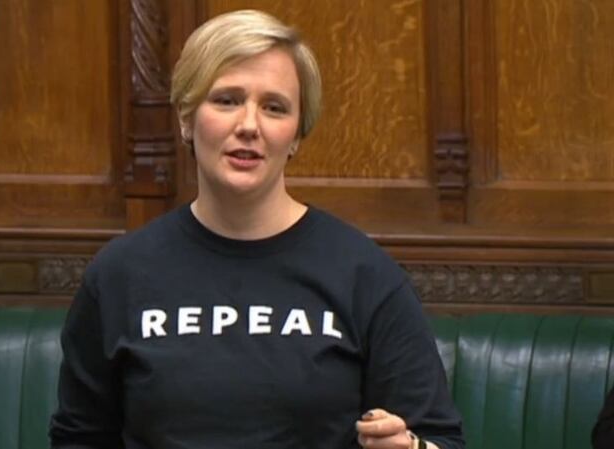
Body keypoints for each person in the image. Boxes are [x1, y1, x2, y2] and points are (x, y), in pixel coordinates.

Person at [50, 9, 464, 449]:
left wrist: (413, 446)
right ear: (186, 119)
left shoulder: (364, 274)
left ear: (297, 136)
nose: (249, 126)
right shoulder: (120, 274)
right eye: (226, 100)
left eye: (274, 107)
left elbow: (439, 440)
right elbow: (79, 438)